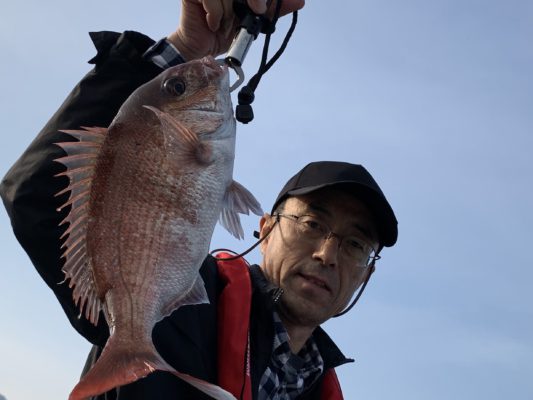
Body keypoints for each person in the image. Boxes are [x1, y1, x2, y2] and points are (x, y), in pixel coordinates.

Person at [0, 0, 398, 399]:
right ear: (266, 229)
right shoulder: (174, 301)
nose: (328, 254)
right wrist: (185, 50)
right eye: (312, 223)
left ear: (365, 275)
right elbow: (38, 197)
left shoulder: (319, 389)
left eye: (355, 244)